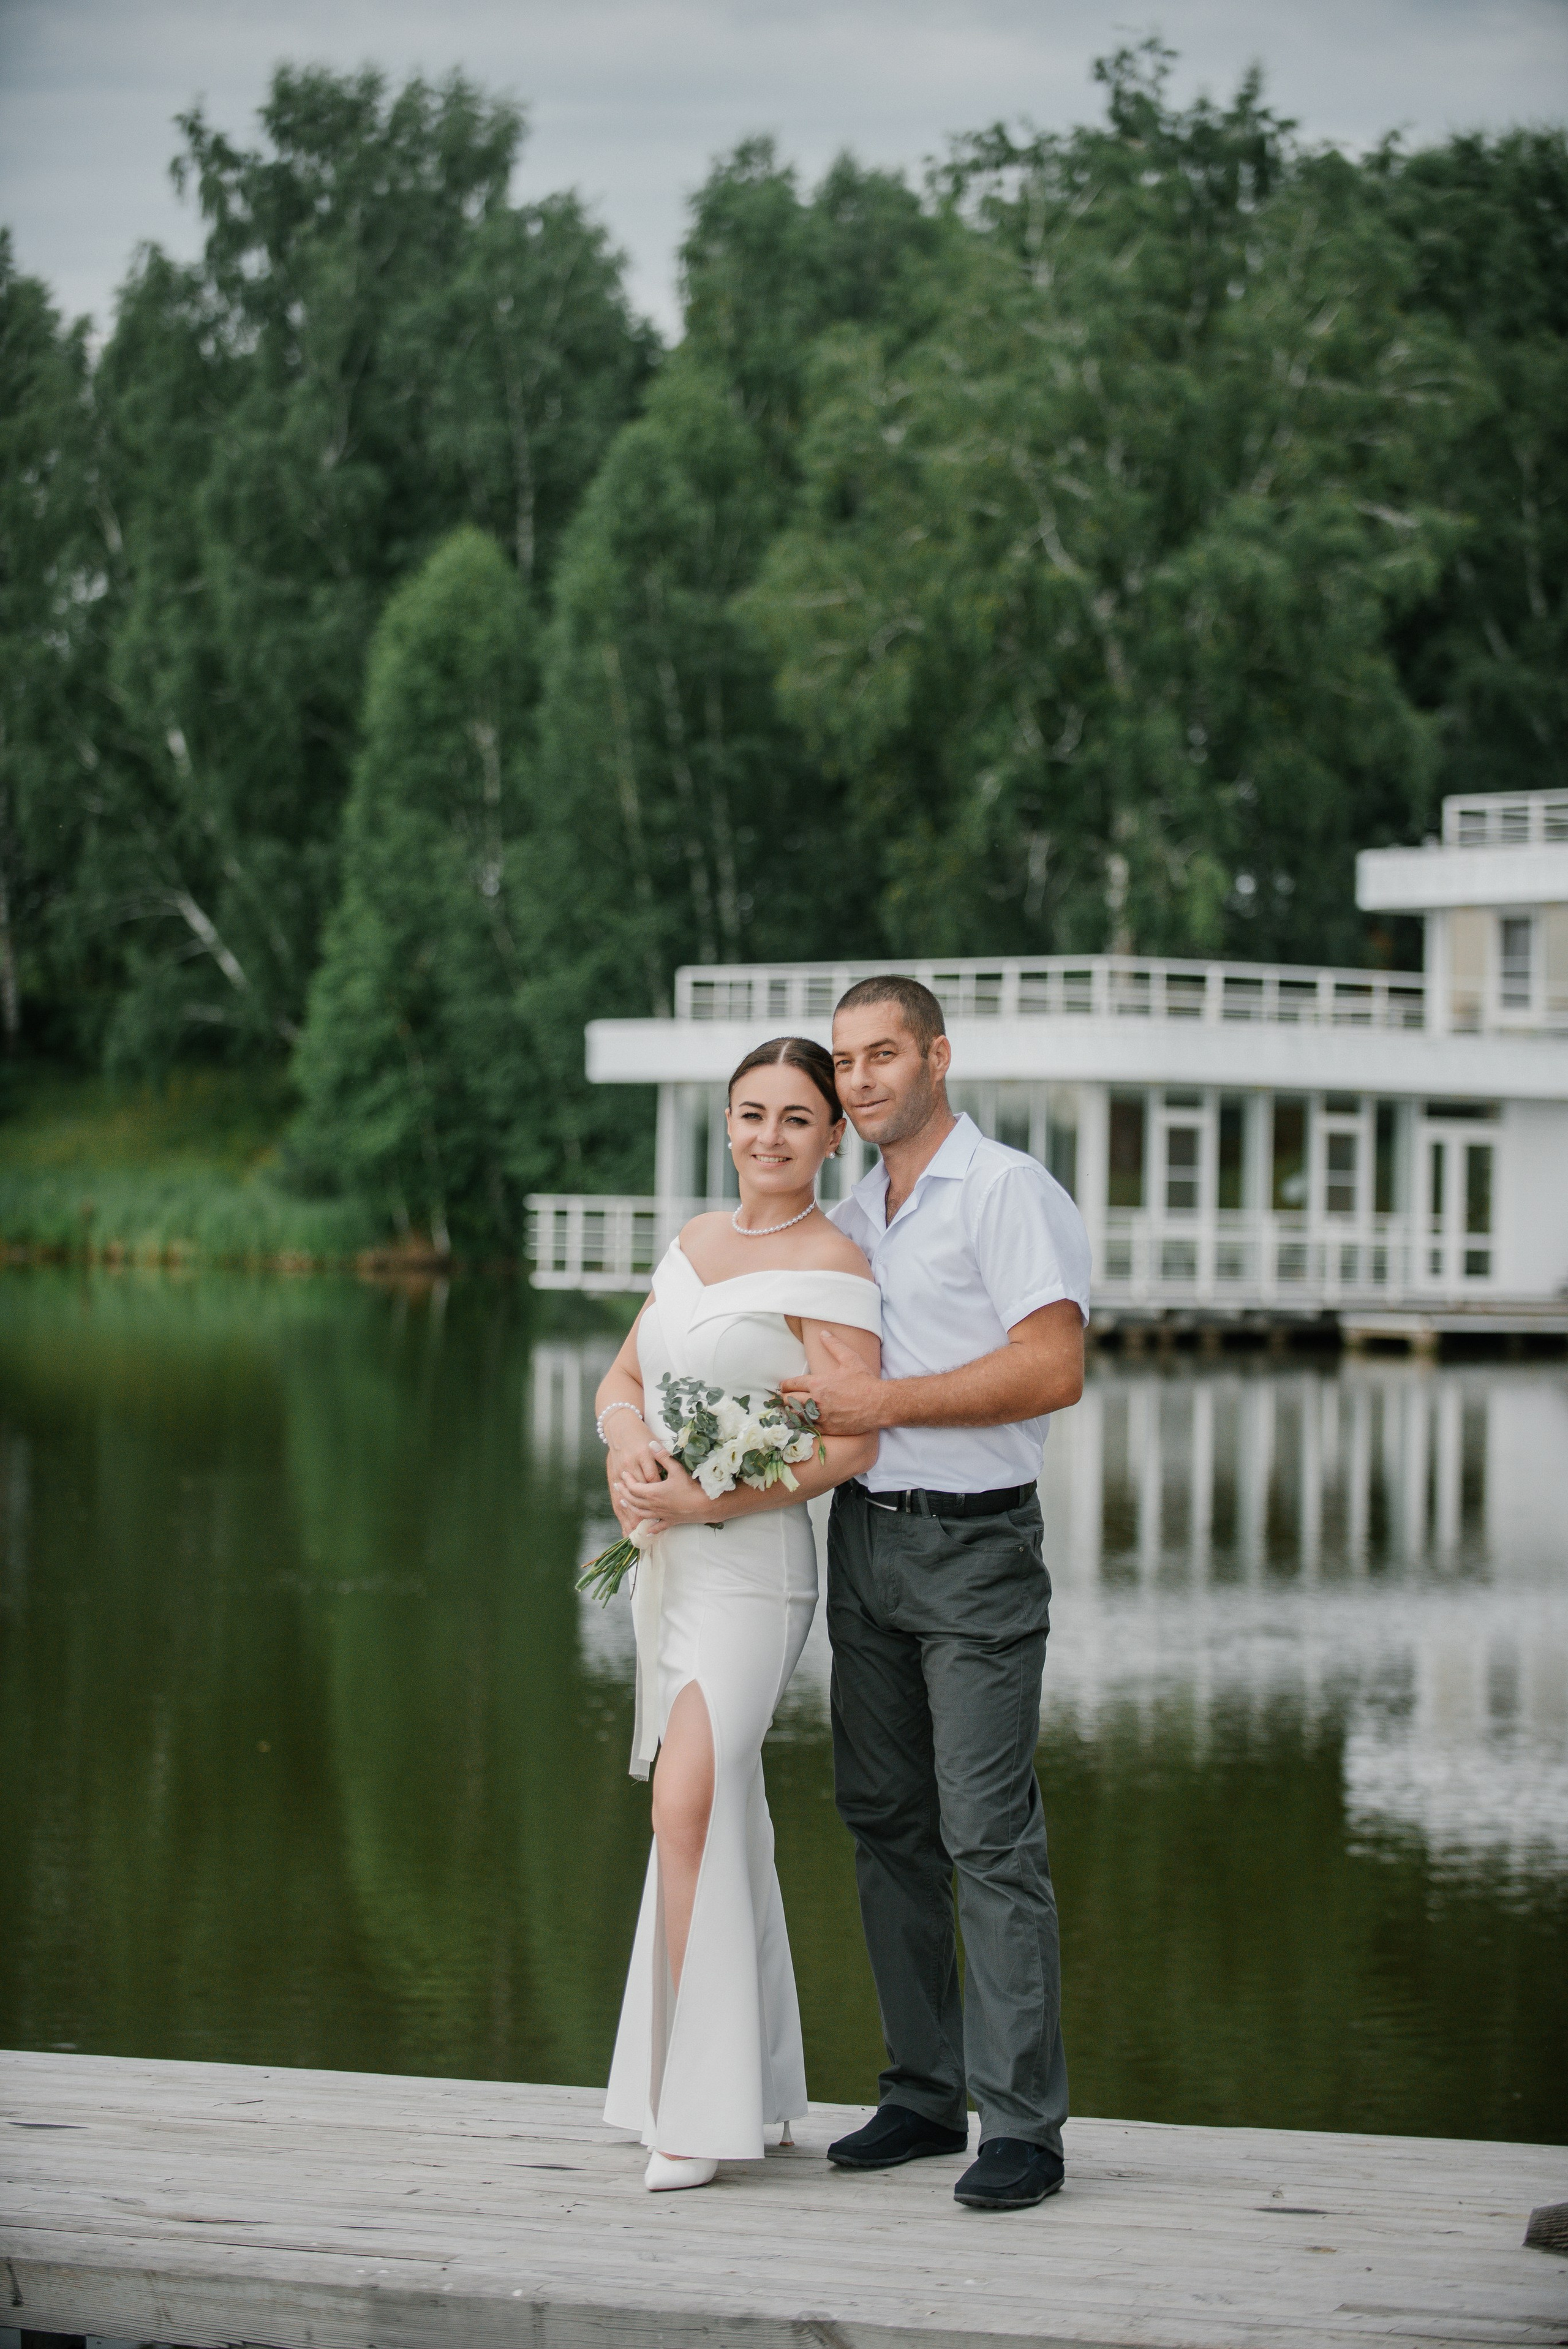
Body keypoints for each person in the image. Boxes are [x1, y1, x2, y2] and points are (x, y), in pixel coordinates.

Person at [780, 975, 1090, 2214]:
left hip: (973, 1551)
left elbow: (1052, 1365)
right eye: (844, 1062)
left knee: (987, 1834)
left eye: (881, 1055)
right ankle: (920, 2092)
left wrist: (885, 1402)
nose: (858, 1080)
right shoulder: (852, 1217)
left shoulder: (1005, 1190)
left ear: (936, 1058)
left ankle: (1023, 2126)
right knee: (882, 1821)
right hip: (864, 1543)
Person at [594, 1035, 883, 2192]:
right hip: (671, 1566)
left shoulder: (835, 1266)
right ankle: (751, 2094)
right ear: (726, 1126)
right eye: (751, 1114)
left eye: (797, 1118)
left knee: (688, 1803)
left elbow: (852, 1441)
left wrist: (714, 1491)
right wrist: (630, 1447)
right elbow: (624, 1378)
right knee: (726, 1816)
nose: (770, 1136)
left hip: (756, 1569)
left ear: (832, 1135)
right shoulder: (692, 1246)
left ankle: (694, 2112)